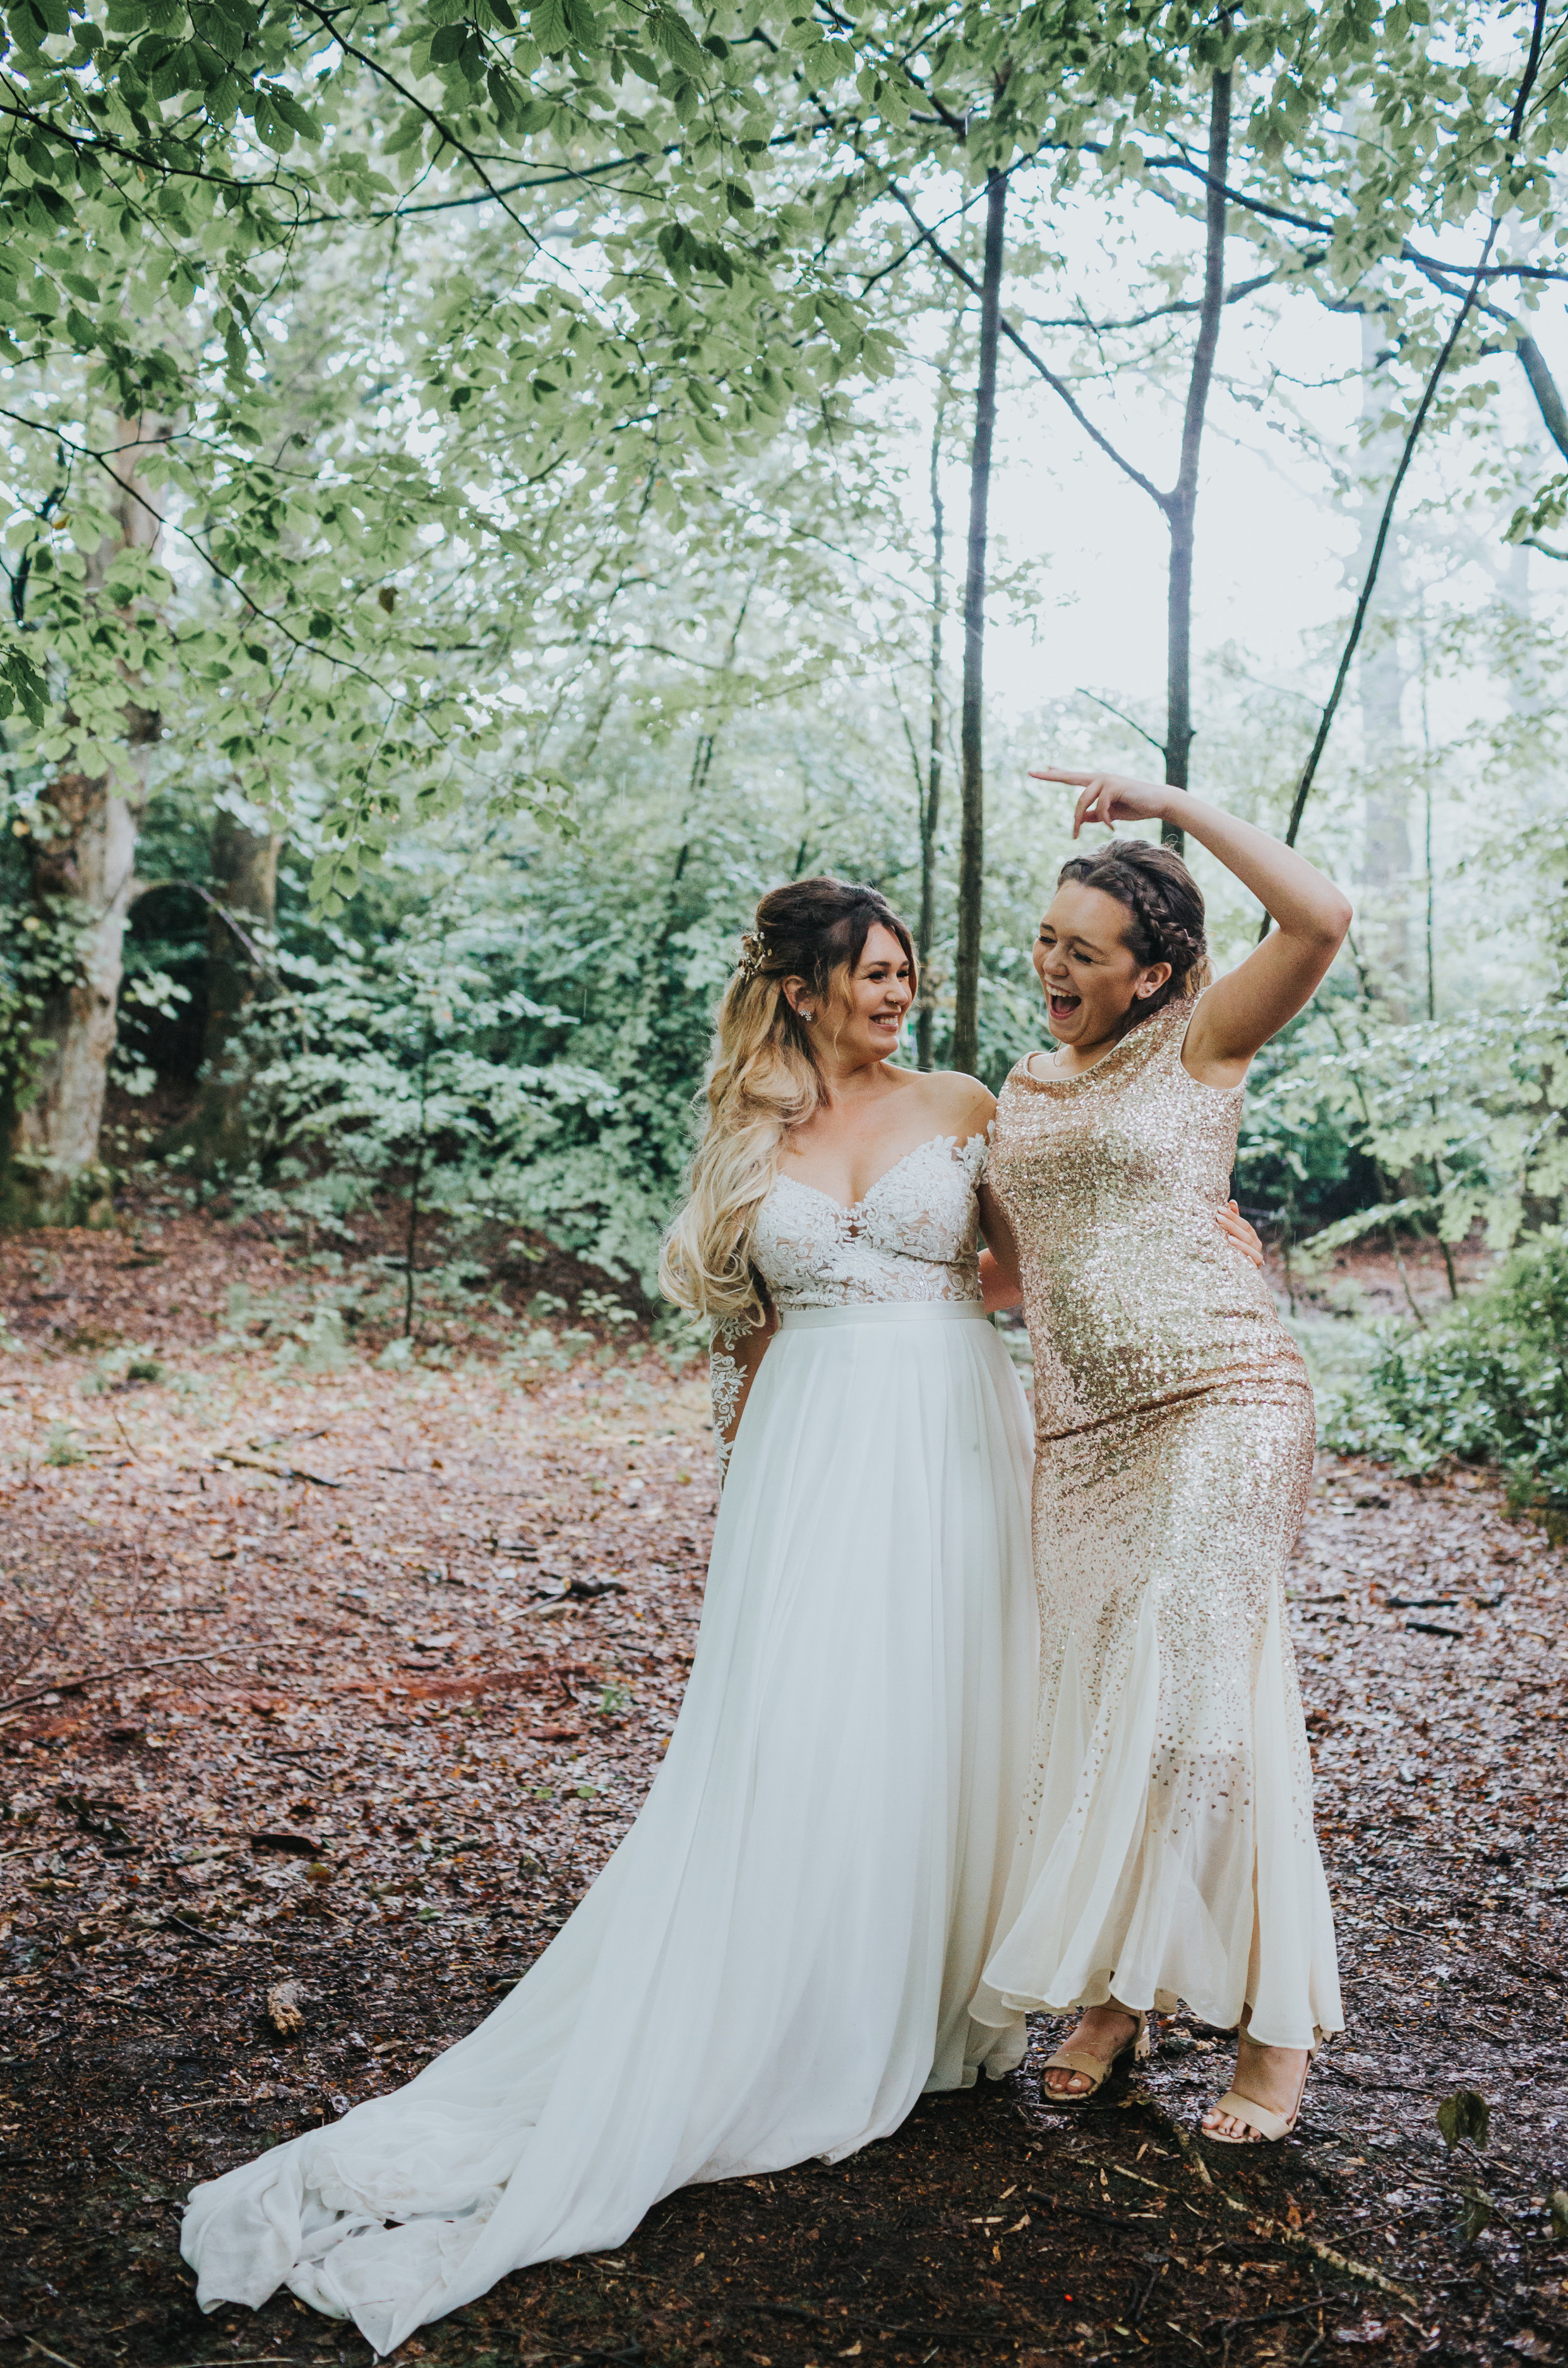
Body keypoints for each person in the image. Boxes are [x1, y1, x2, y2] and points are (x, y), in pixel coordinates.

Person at [180, 875, 1267, 2356]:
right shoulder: (749, 1139)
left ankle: (949, 1996)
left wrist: (1200, 1249)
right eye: (873, 975)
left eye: (904, 972)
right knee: (802, 1725)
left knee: (953, 1706)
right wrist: (746, 1488)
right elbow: (744, 1327)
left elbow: (1041, 1257)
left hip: (950, 1422)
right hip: (812, 1445)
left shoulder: (964, 1100)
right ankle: (801, 1995)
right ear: (806, 989)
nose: (898, 993)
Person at [973, 770, 1351, 2146]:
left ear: (1154, 975)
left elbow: (1315, 917)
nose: (1049, 967)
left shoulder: (1201, 1043)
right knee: (1100, 1719)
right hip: (1078, 1437)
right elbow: (1013, 1276)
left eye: (1081, 951)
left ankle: (1272, 2037)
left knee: (1200, 1710)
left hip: (1219, 1403)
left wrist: (1169, 804)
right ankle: (1117, 2003)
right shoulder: (1021, 1083)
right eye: (1043, 940)